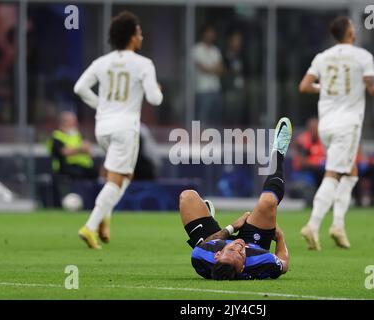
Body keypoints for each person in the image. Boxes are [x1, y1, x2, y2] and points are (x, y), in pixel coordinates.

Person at [298, 16, 374, 250]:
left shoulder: (322, 57)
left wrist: (323, 87)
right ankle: (313, 225)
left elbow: (304, 86)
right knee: (334, 173)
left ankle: (338, 225)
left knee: (351, 172)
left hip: (325, 124)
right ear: (350, 33)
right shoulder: (362, 56)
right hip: (347, 124)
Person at [73, 11, 163, 249]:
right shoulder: (143, 64)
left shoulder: (101, 62)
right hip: (125, 127)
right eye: (139, 32)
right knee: (116, 179)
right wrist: (157, 89)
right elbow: (154, 99)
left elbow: (80, 87)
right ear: (133, 37)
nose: (141, 36)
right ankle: (90, 226)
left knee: (124, 175)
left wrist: (100, 104)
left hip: (102, 127)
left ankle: (105, 218)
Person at [179, 117, 291, 280]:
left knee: (187, 196)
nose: (239, 247)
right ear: (243, 267)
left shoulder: (201, 257)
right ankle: (278, 153)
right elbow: (284, 264)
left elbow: (204, 246)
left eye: (232, 250)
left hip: (216, 240)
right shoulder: (259, 261)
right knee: (268, 202)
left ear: (217, 255)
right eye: (240, 255)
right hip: (254, 242)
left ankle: (209, 222)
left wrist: (232, 227)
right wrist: (280, 237)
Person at [47, 111, 97, 180]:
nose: (76, 123)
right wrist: (81, 149)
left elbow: (88, 148)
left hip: (85, 168)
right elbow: (63, 151)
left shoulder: (78, 135)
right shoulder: (57, 136)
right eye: (73, 121)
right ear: (64, 122)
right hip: (67, 169)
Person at [193, 25, 224, 127]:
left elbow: (221, 69)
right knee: (202, 116)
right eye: (208, 32)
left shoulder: (216, 50)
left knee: (216, 116)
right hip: (202, 89)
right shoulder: (197, 49)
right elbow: (202, 68)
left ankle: (215, 138)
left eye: (212, 33)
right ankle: (200, 138)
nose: (210, 35)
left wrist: (210, 68)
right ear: (203, 34)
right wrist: (213, 69)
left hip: (215, 88)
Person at [222, 30, 246, 125]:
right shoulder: (225, 56)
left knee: (239, 115)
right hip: (229, 90)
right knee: (229, 115)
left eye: (239, 41)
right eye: (236, 41)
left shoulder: (242, 57)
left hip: (240, 89)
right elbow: (223, 72)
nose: (238, 43)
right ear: (230, 42)